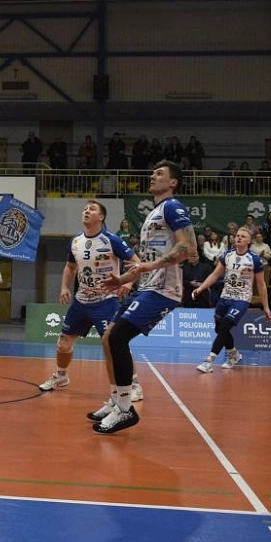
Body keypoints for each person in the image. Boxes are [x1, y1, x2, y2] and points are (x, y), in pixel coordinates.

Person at [93, 161, 196, 434]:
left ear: (173, 182)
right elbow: (145, 262)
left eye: (159, 173)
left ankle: (126, 409)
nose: (152, 175)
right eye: (152, 172)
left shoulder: (173, 207)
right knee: (108, 338)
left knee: (118, 337)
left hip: (163, 290)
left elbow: (188, 247)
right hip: (146, 286)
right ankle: (117, 400)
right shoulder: (154, 213)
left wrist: (149, 267)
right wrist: (122, 280)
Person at [38, 200, 141, 396]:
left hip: (106, 301)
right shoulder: (75, 241)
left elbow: (137, 263)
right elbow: (70, 267)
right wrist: (64, 288)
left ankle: (134, 384)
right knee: (63, 343)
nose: (86, 211)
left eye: (91, 209)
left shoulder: (112, 240)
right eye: (85, 209)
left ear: (101, 217)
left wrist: (128, 284)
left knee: (115, 344)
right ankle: (61, 376)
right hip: (81, 301)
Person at [191, 226, 271, 373]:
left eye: (243, 236)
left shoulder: (254, 259)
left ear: (249, 241)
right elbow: (215, 275)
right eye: (238, 235)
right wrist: (201, 288)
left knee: (225, 326)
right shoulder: (227, 254)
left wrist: (266, 306)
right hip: (225, 297)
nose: (239, 238)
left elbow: (261, 284)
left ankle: (209, 361)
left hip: (241, 299)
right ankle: (234, 354)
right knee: (219, 329)